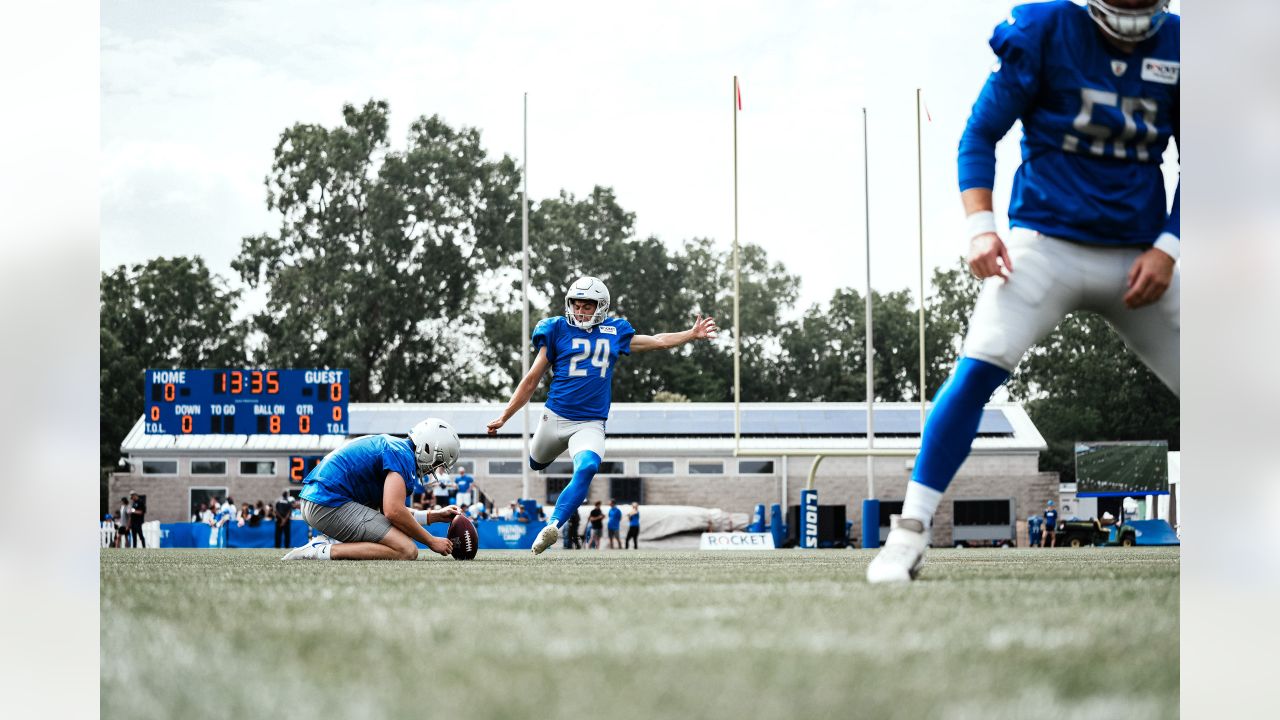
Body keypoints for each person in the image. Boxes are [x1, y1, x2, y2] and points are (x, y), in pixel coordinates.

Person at [867, 0, 1179, 583]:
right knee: (977, 369)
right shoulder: (1044, 28)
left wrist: (1169, 247)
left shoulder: (1185, 46)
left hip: (1140, 258)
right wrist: (980, 228)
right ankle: (908, 533)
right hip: (1047, 248)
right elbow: (979, 134)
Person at [486, 276, 718, 554]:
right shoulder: (557, 329)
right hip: (554, 417)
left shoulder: (613, 331)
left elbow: (657, 340)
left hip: (589, 423)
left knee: (587, 467)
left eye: (587, 306)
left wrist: (690, 334)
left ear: (601, 307)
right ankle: (543, 470)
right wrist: (505, 416)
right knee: (536, 463)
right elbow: (532, 379)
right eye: (577, 305)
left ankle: (553, 526)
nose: (581, 311)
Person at [283, 418, 461, 561]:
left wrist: (433, 516)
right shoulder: (402, 456)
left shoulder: (396, 448)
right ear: (428, 447)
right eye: (437, 461)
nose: (433, 468)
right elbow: (393, 512)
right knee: (406, 550)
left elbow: (390, 510)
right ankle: (321, 550)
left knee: (400, 540)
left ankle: (331, 543)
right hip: (327, 503)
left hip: (320, 501)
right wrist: (431, 541)